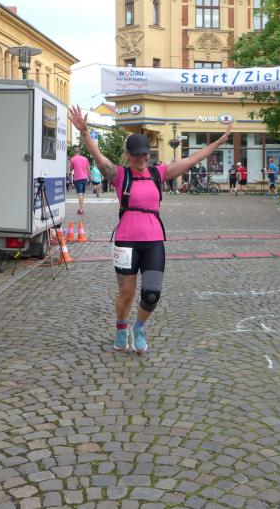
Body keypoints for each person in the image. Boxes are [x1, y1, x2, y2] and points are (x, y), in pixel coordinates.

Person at [69, 105, 232, 353]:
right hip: (126, 241)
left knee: (152, 293)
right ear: (128, 155)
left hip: (154, 240)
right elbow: (100, 159)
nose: (142, 159)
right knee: (126, 292)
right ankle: (121, 328)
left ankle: (139, 327)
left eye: (145, 154)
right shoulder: (120, 175)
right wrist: (84, 132)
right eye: (137, 155)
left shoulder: (159, 173)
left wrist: (219, 141)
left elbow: (192, 159)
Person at [69, 149, 90, 215]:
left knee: (80, 194)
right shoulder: (85, 159)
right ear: (79, 152)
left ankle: (81, 209)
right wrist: (89, 176)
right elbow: (88, 168)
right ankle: (81, 207)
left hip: (78, 178)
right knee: (82, 194)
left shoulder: (72, 159)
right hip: (85, 178)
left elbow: (71, 169)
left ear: (74, 152)